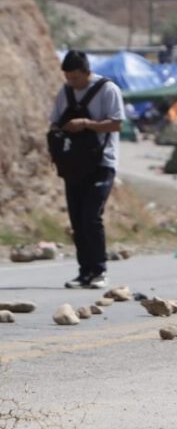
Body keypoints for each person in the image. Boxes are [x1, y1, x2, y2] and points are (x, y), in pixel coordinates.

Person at [49, 51, 125, 289]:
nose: (71, 82)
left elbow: (117, 123)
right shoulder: (65, 92)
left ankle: (100, 270)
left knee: (92, 217)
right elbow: (55, 122)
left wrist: (86, 124)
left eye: (74, 77)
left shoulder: (107, 89)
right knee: (77, 220)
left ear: (86, 72)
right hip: (74, 165)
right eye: (67, 77)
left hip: (103, 163)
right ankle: (84, 271)